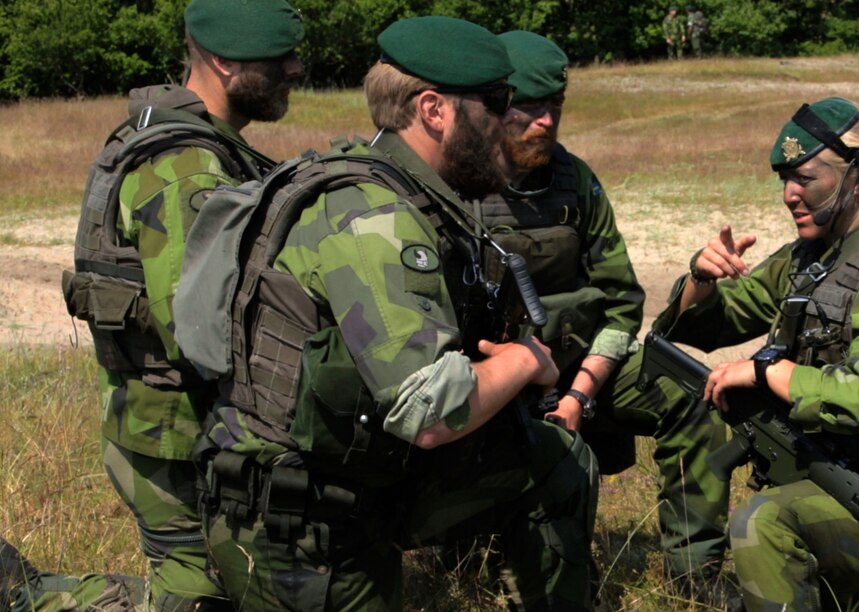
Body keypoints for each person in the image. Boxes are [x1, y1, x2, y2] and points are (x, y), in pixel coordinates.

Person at [179, 16, 597, 610]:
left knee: (554, 457)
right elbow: (428, 411)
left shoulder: (409, 187)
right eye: (496, 102)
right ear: (434, 110)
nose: (510, 119)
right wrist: (528, 362)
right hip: (297, 522)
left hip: (358, 476)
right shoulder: (374, 218)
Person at [654, 97, 859, 609]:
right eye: (784, 181)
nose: (790, 195)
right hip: (823, 478)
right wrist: (701, 280)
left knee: (763, 523)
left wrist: (767, 371)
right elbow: (711, 324)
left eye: (806, 179)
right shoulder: (808, 261)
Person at [52, 1, 304, 610]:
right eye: (280, 58)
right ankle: (38, 595)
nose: (296, 69)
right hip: (178, 443)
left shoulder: (173, 132)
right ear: (222, 61)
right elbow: (201, 331)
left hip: (163, 428)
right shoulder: (186, 169)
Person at [470, 30, 730, 594]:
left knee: (693, 393)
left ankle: (695, 579)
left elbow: (621, 305)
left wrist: (579, 395)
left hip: (584, 372)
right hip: (490, 383)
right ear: (493, 108)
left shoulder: (575, 183)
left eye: (554, 107)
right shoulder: (457, 185)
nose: (545, 121)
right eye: (529, 107)